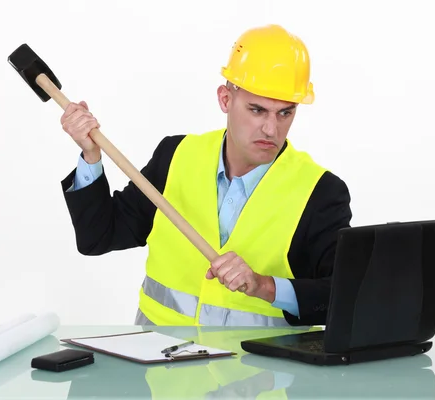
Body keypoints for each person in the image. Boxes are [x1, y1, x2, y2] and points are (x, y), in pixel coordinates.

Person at [59, 24, 352, 327]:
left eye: (285, 113)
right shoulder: (175, 157)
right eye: (257, 110)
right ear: (226, 99)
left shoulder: (320, 192)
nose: (271, 129)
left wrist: (265, 286)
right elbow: (98, 236)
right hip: (158, 365)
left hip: (263, 370)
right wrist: (91, 155)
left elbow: (342, 297)